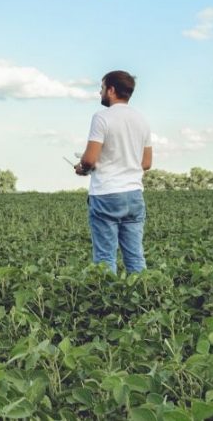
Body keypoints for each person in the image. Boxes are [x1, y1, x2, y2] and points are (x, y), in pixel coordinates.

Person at [74, 70, 152, 274]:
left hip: (106, 193)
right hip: (134, 194)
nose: (100, 93)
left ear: (111, 90)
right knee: (135, 256)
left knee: (105, 258)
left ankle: (108, 303)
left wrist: (82, 168)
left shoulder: (101, 118)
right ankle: (143, 298)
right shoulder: (141, 120)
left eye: (101, 88)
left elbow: (90, 159)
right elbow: (146, 163)